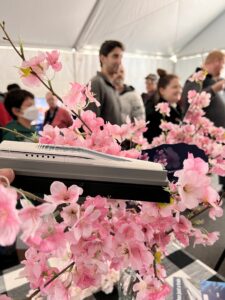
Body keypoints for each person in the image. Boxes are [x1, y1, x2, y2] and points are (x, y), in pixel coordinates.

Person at [181, 50, 225, 127]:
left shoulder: (210, 80)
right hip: (203, 135)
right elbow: (189, 105)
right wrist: (214, 89)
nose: (223, 67)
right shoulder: (197, 77)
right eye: (223, 64)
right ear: (216, 61)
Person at [89, 40, 124, 125]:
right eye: (115, 56)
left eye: (121, 57)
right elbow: (90, 126)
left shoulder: (111, 86)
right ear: (102, 58)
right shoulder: (96, 83)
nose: (119, 61)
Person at [144, 69, 182, 143]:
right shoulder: (155, 114)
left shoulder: (178, 109)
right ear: (162, 90)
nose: (179, 90)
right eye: (175, 87)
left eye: (180, 87)